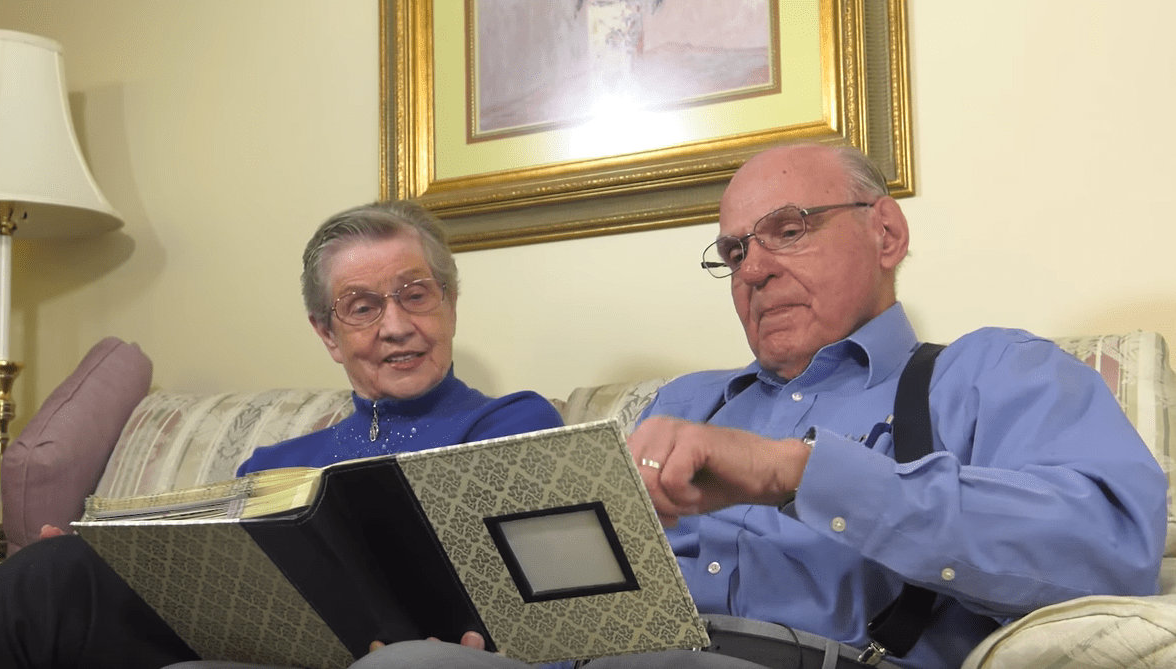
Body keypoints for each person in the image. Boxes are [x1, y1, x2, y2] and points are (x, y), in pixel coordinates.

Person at [354, 144, 1168, 669]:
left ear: (885, 234)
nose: (752, 268)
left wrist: (793, 472)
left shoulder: (990, 371)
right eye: (735, 249)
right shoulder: (683, 402)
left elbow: (1112, 551)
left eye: (788, 229)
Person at [0, 200, 563, 668]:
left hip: (421, 654)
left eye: (415, 294)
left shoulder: (515, 423)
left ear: (449, 303)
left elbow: (547, 604)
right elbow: (218, 595)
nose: (395, 325)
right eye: (362, 307)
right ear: (328, 335)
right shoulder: (272, 466)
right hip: (262, 649)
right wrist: (114, 562)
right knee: (57, 573)